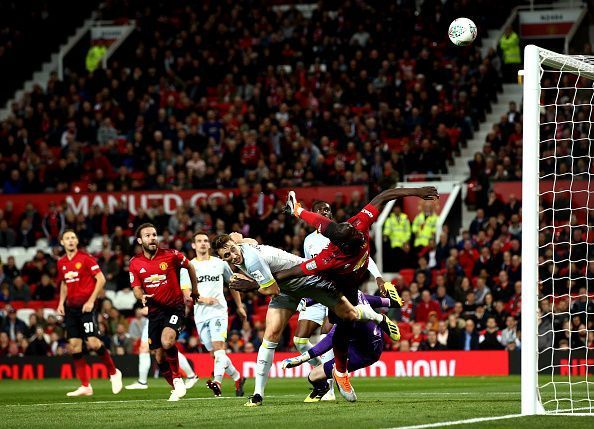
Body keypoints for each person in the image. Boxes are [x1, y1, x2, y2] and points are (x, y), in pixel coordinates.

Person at [280, 186, 438, 401]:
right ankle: (342, 370)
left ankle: (368, 329)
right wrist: (260, 282)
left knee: (345, 322)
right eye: (355, 236)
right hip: (335, 288)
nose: (360, 235)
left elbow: (384, 195)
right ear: (344, 246)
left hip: (354, 285)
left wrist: (416, 191)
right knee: (342, 326)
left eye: (357, 232)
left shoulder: (358, 224)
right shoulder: (327, 258)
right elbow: (295, 270)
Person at [212, 234, 397, 407]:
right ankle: (258, 394)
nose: (233, 256)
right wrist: (238, 240)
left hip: (307, 280)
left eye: (233, 250)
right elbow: (244, 239)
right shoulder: (241, 246)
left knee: (349, 314)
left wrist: (250, 286)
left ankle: (378, 317)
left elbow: (271, 290)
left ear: (237, 245)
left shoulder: (252, 260)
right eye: (227, 255)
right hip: (285, 288)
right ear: (223, 258)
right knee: (270, 337)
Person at [298, 200, 391, 401]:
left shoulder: (340, 233)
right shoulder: (308, 241)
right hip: (318, 290)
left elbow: (364, 256)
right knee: (300, 339)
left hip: (337, 291)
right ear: (314, 215)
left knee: (330, 330)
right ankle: (324, 372)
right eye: (321, 210)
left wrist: (378, 277)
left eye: (328, 209)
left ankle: (330, 386)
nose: (326, 212)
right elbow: (307, 265)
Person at [130, 223, 199, 402]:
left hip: (174, 307)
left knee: (167, 342)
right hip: (154, 312)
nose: (152, 238)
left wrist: (195, 290)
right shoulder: (135, 263)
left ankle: (177, 378)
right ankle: (175, 385)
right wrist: (141, 297)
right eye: (147, 235)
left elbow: (190, 266)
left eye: (154, 234)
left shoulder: (171, 255)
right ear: (140, 240)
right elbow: (136, 288)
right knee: (159, 357)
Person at [282, 292, 390, 401]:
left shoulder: (347, 318)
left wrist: (301, 359)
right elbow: (381, 301)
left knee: (316, 377)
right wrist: (393, 301)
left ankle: (340, 375)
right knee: (313, 376)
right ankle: (325, 387)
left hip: (364, 354)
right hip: (359, 343)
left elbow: (327, 343)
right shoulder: (354, 297)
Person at [179, 231, 247, 397]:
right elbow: (187, 293)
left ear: (209, 245)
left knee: (219, 349)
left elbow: (233, 284)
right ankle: (238, 377)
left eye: (205, 241)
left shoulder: (220, 263)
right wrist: (203, 299)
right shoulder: (188, 267)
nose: (203, 243)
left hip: (218, 312)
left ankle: (217, 382)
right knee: (215, 354)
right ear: (193, 245)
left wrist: (239, 306)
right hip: (200, 314)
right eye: (199, 241)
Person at [56, 229, 122, 397]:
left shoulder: (86, 258)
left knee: (93, 343)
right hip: (71, 308)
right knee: (74, 346)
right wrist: (60, 303)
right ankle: (86, 386)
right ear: (62, 242)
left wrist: (91, 300)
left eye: (73, 238)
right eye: (67, 238)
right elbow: (64, 283)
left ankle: (114, 372)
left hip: (86, 307)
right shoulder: (61, 262)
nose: (70, 240)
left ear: (77, 241)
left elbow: (101, 279)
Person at [124, 305, 199, 391]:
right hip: (153, 317)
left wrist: (152, 308)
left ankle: (190, 376)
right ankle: (142, 381)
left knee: (166, 347)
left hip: (163, 316)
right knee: (146, 349)